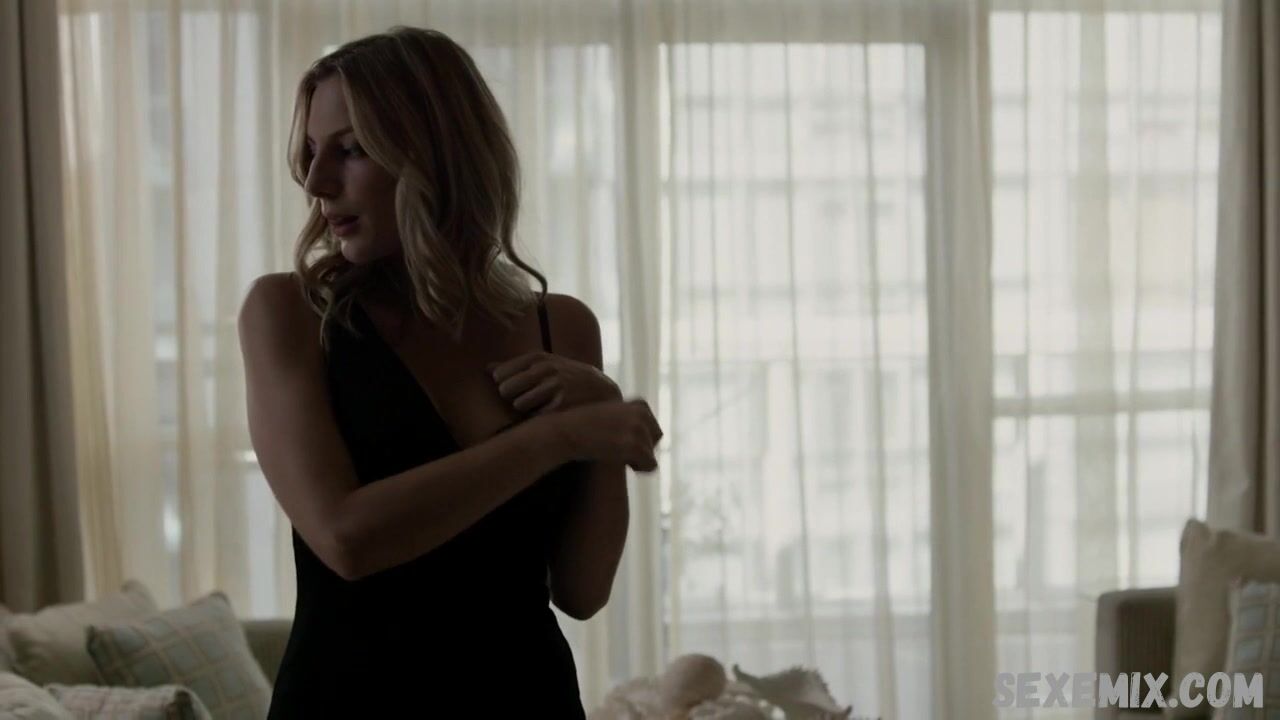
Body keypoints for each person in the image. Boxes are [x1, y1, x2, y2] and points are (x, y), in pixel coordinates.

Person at [236, 26, 663, 718]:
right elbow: (346, 538)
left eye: (350, 149)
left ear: (435, 152)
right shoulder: (288, 313)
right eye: (312, 152)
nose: (315, 183)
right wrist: (557, 438)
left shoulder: (563, 326)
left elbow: (583, 592)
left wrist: (604, 431)